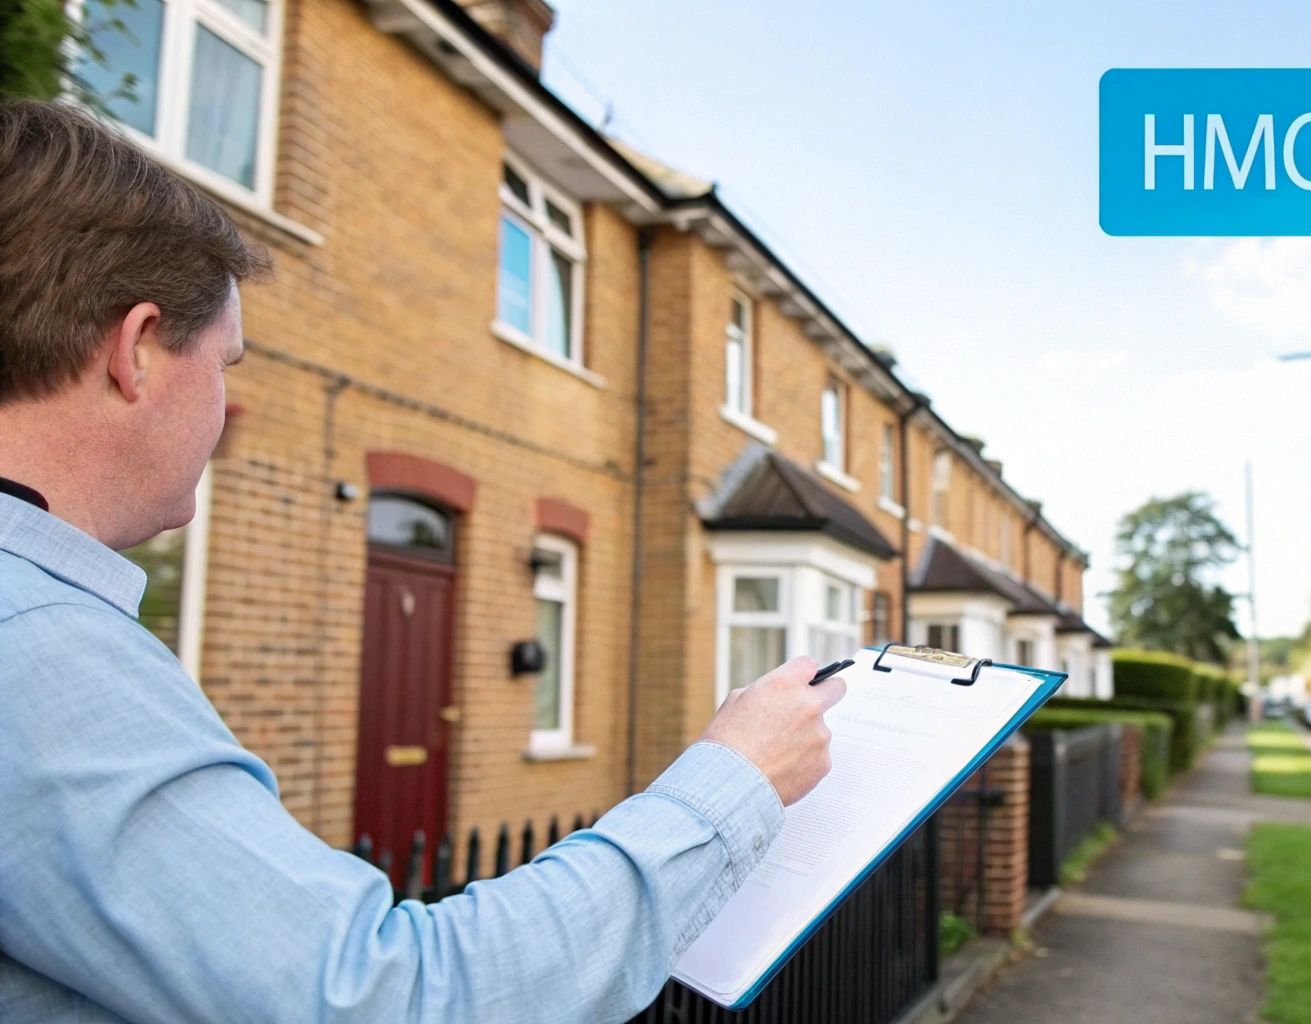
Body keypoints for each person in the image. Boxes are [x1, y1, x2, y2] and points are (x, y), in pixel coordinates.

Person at [0, 98, 846, 1022]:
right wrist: (736, 779)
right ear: (136, 353)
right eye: (227, 365)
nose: (220, 406)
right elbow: (397, 999)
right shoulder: (40, 645)